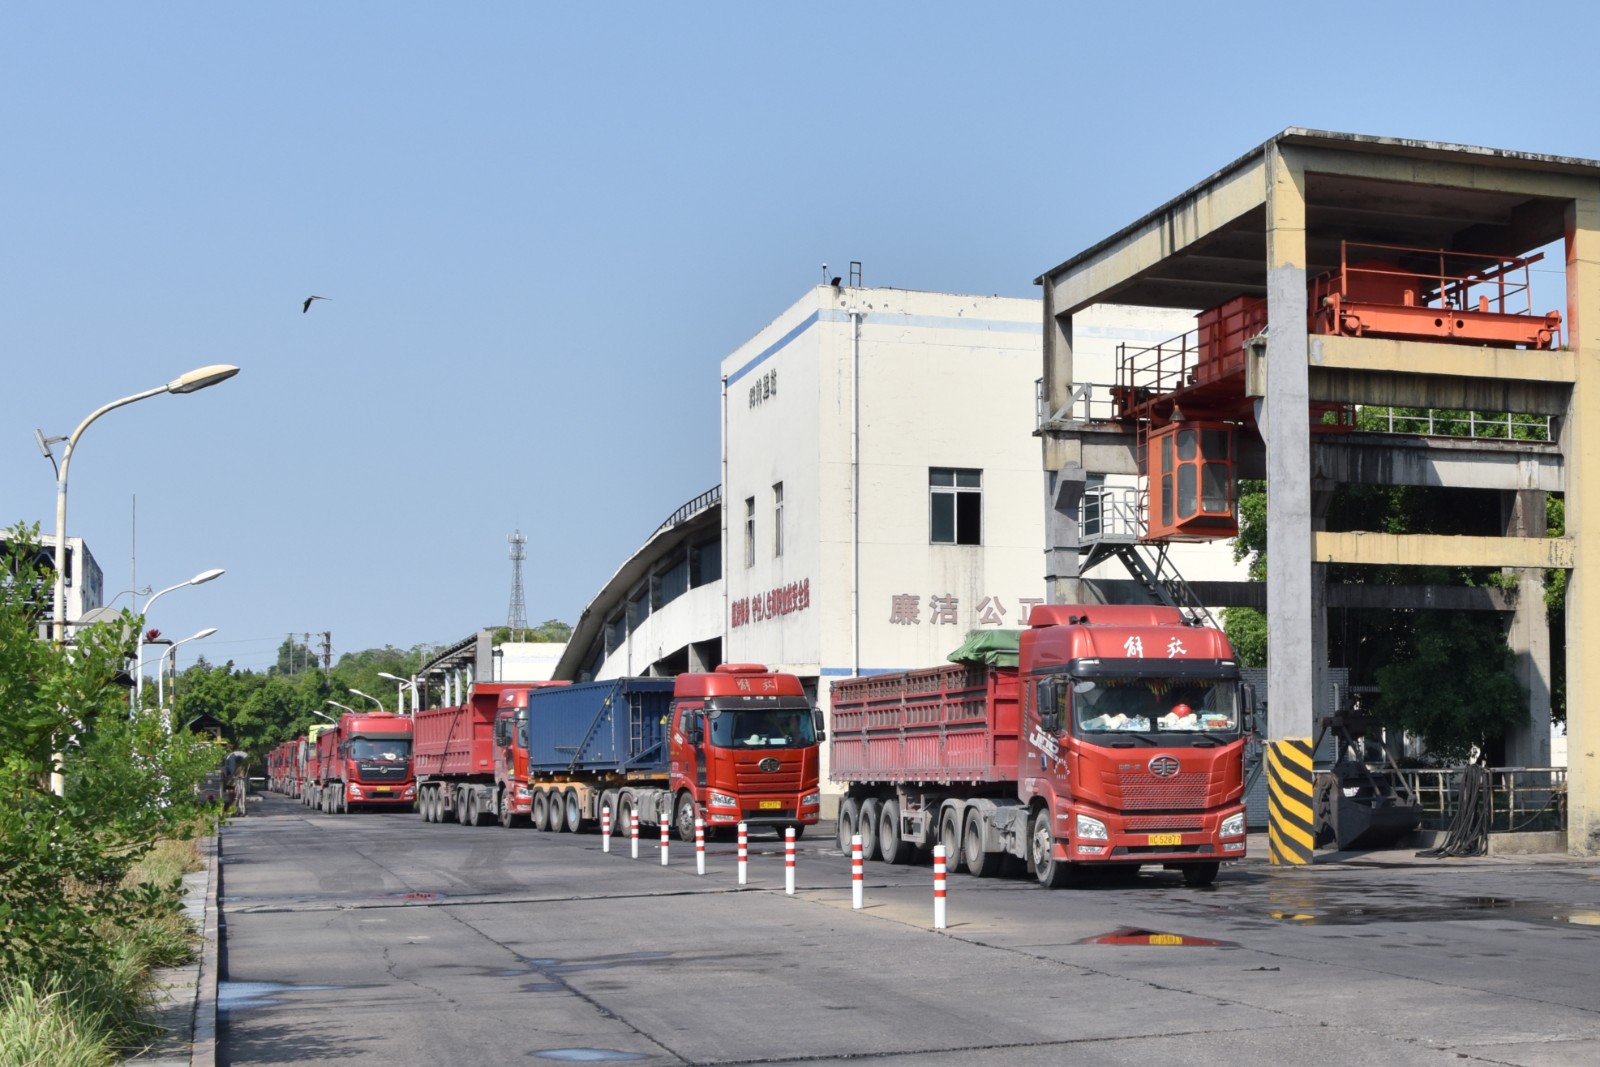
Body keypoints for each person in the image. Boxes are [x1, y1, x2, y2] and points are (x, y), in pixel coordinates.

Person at [222, 749, 249, 815]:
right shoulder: (239, 769)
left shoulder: (237, 769)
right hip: (235, 782)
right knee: (238, 796)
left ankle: (238, 810)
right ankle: (238, 810)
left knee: (236, 797)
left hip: (234, 782)